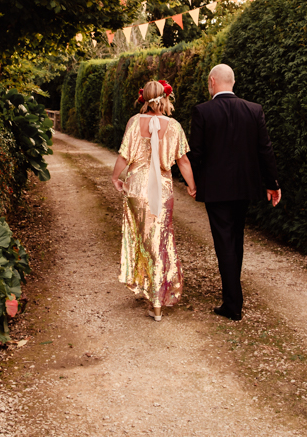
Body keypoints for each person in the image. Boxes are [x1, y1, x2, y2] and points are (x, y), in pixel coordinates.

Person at [188, 64, 281, 322]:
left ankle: (233, 303)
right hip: (244, 188)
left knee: (224, 242)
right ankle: (233, 297)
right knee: (236, 239)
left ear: (212, 81)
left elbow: (196, 153)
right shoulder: (254, 110)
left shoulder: (202, 111)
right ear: (233, 82)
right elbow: (265, 149)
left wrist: (192, 183)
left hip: (216, 190)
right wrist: (272, 183)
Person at [111, 80, 197, 321]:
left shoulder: (133, 122)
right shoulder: (175, 126)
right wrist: (192, 187)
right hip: (163, 189)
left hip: (137, 188)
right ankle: (158, 300)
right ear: (164, 98)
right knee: (160, 240)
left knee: (143, 239)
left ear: (143, 99)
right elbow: (184, 162)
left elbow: (124, 156)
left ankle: (150, 291)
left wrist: (115, 178)